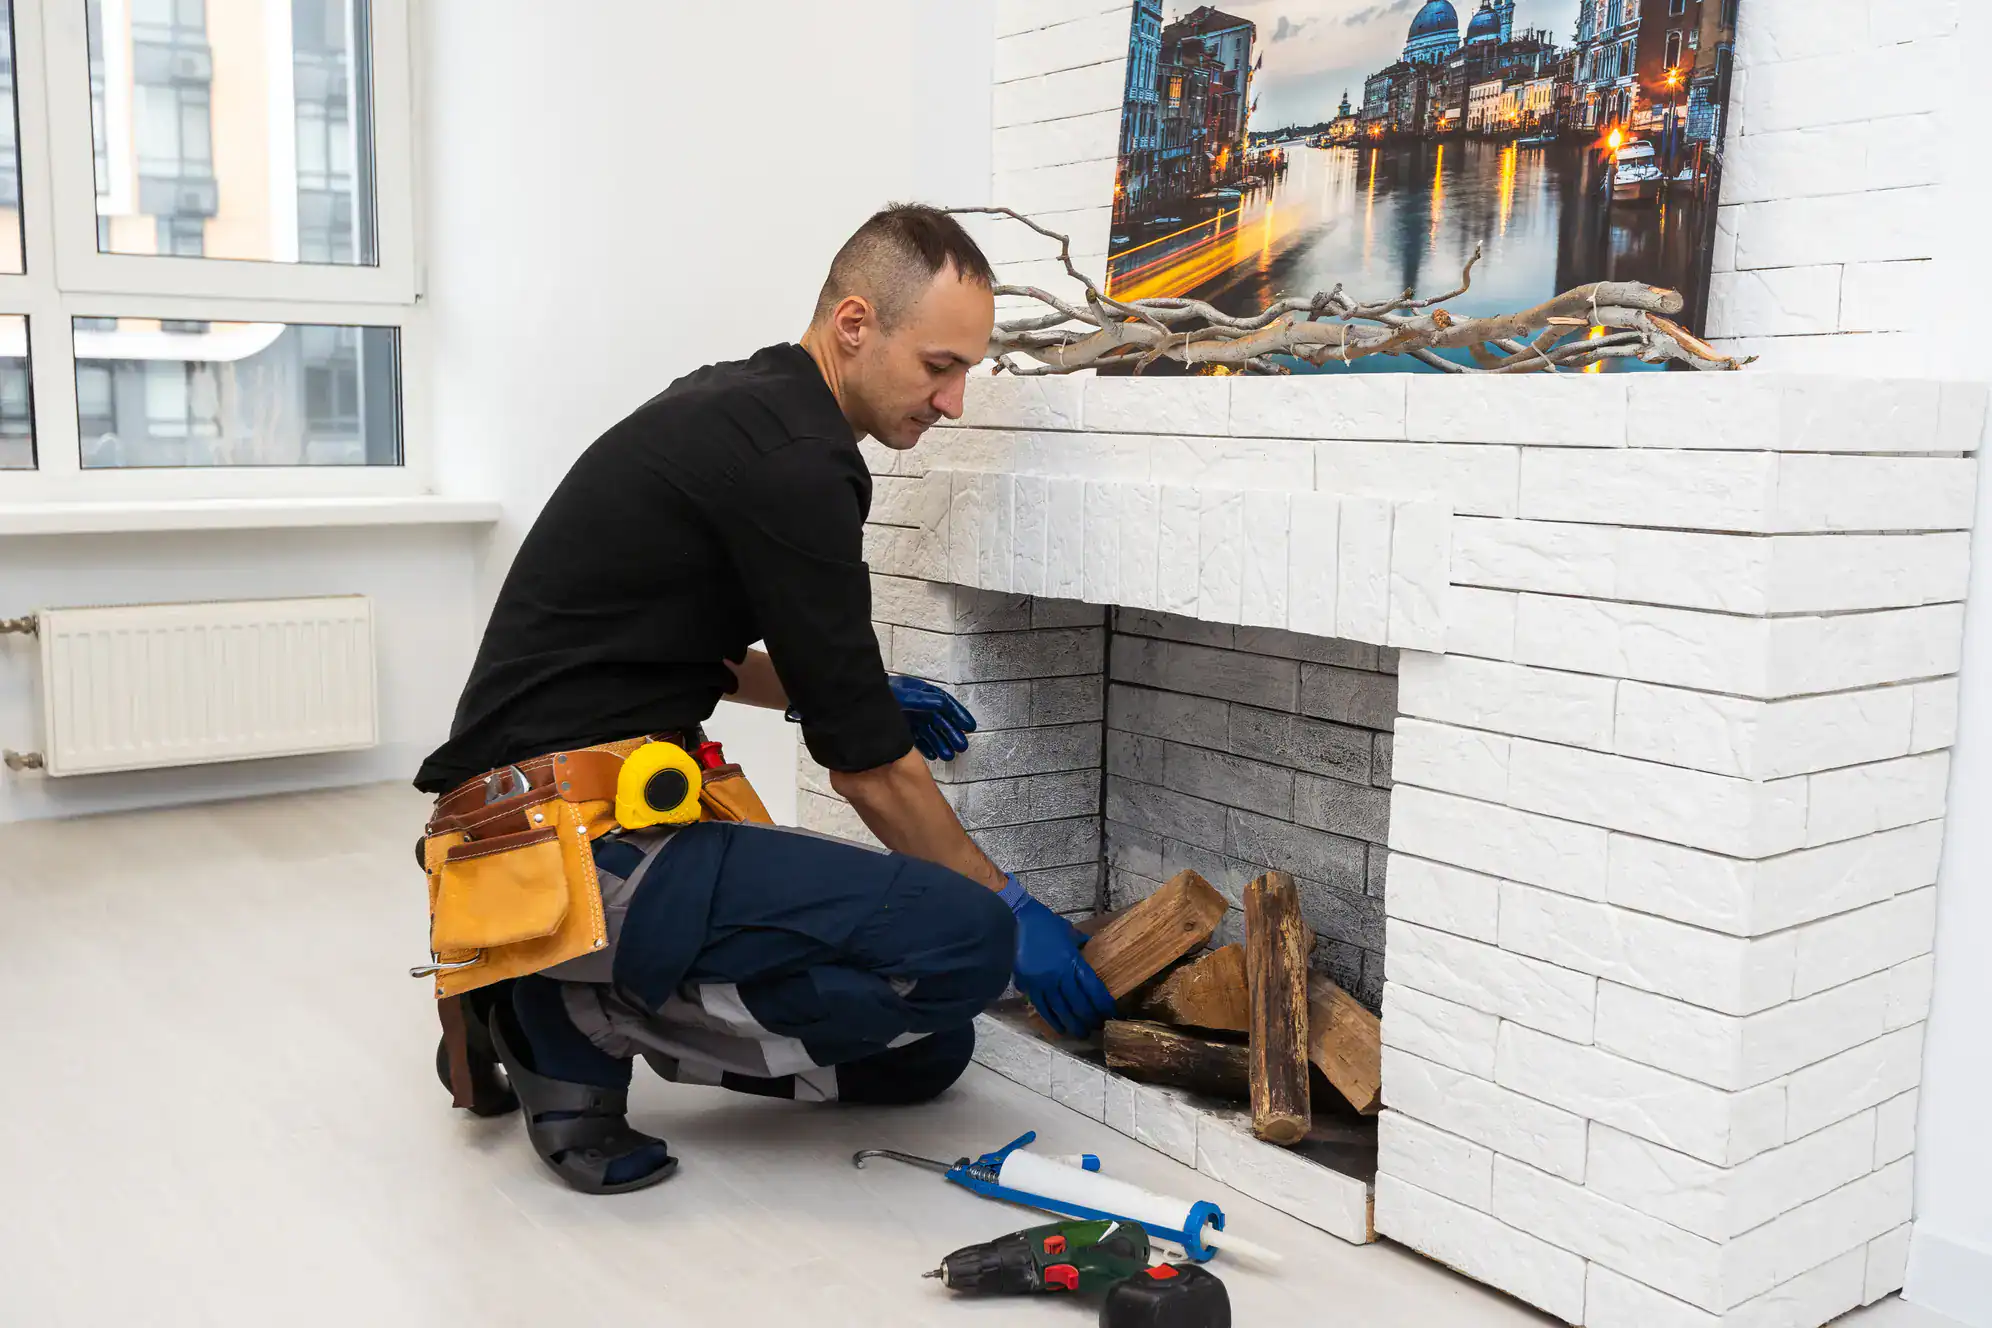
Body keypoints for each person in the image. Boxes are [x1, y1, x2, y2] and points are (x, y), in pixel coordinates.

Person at [412, 204, 1116, 1195]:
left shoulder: (746, 410)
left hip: (568, 814)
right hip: (557, 839)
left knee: (928, 1053)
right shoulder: (798, 460)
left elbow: (672, 643)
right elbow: (866, 769)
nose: (954, 400)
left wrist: (841, 687)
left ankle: (565, 981)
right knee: (969, 938)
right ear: (855, 325)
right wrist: (1013, 905)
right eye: (939, 365)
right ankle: (563, 1011)